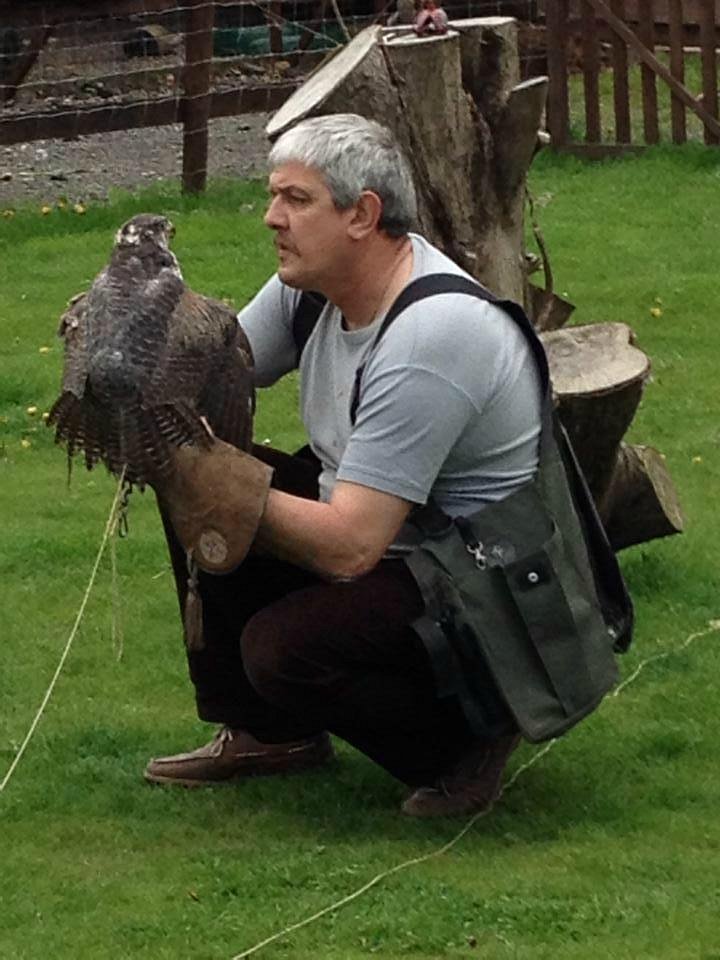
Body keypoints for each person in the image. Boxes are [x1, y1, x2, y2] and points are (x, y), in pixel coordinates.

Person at [144, 113, 543, 817]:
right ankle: (272, 735)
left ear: (363, 215)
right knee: (185, 463)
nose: (272, 218)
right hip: (390, 532)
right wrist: (130, 370)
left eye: (296, 200)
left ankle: (465, 739)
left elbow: (353, 546)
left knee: (281, 647)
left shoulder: (431, 332)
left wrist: (215, 483)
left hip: (476, 578)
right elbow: (211, 375)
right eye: (274, 197)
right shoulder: (311, 284)